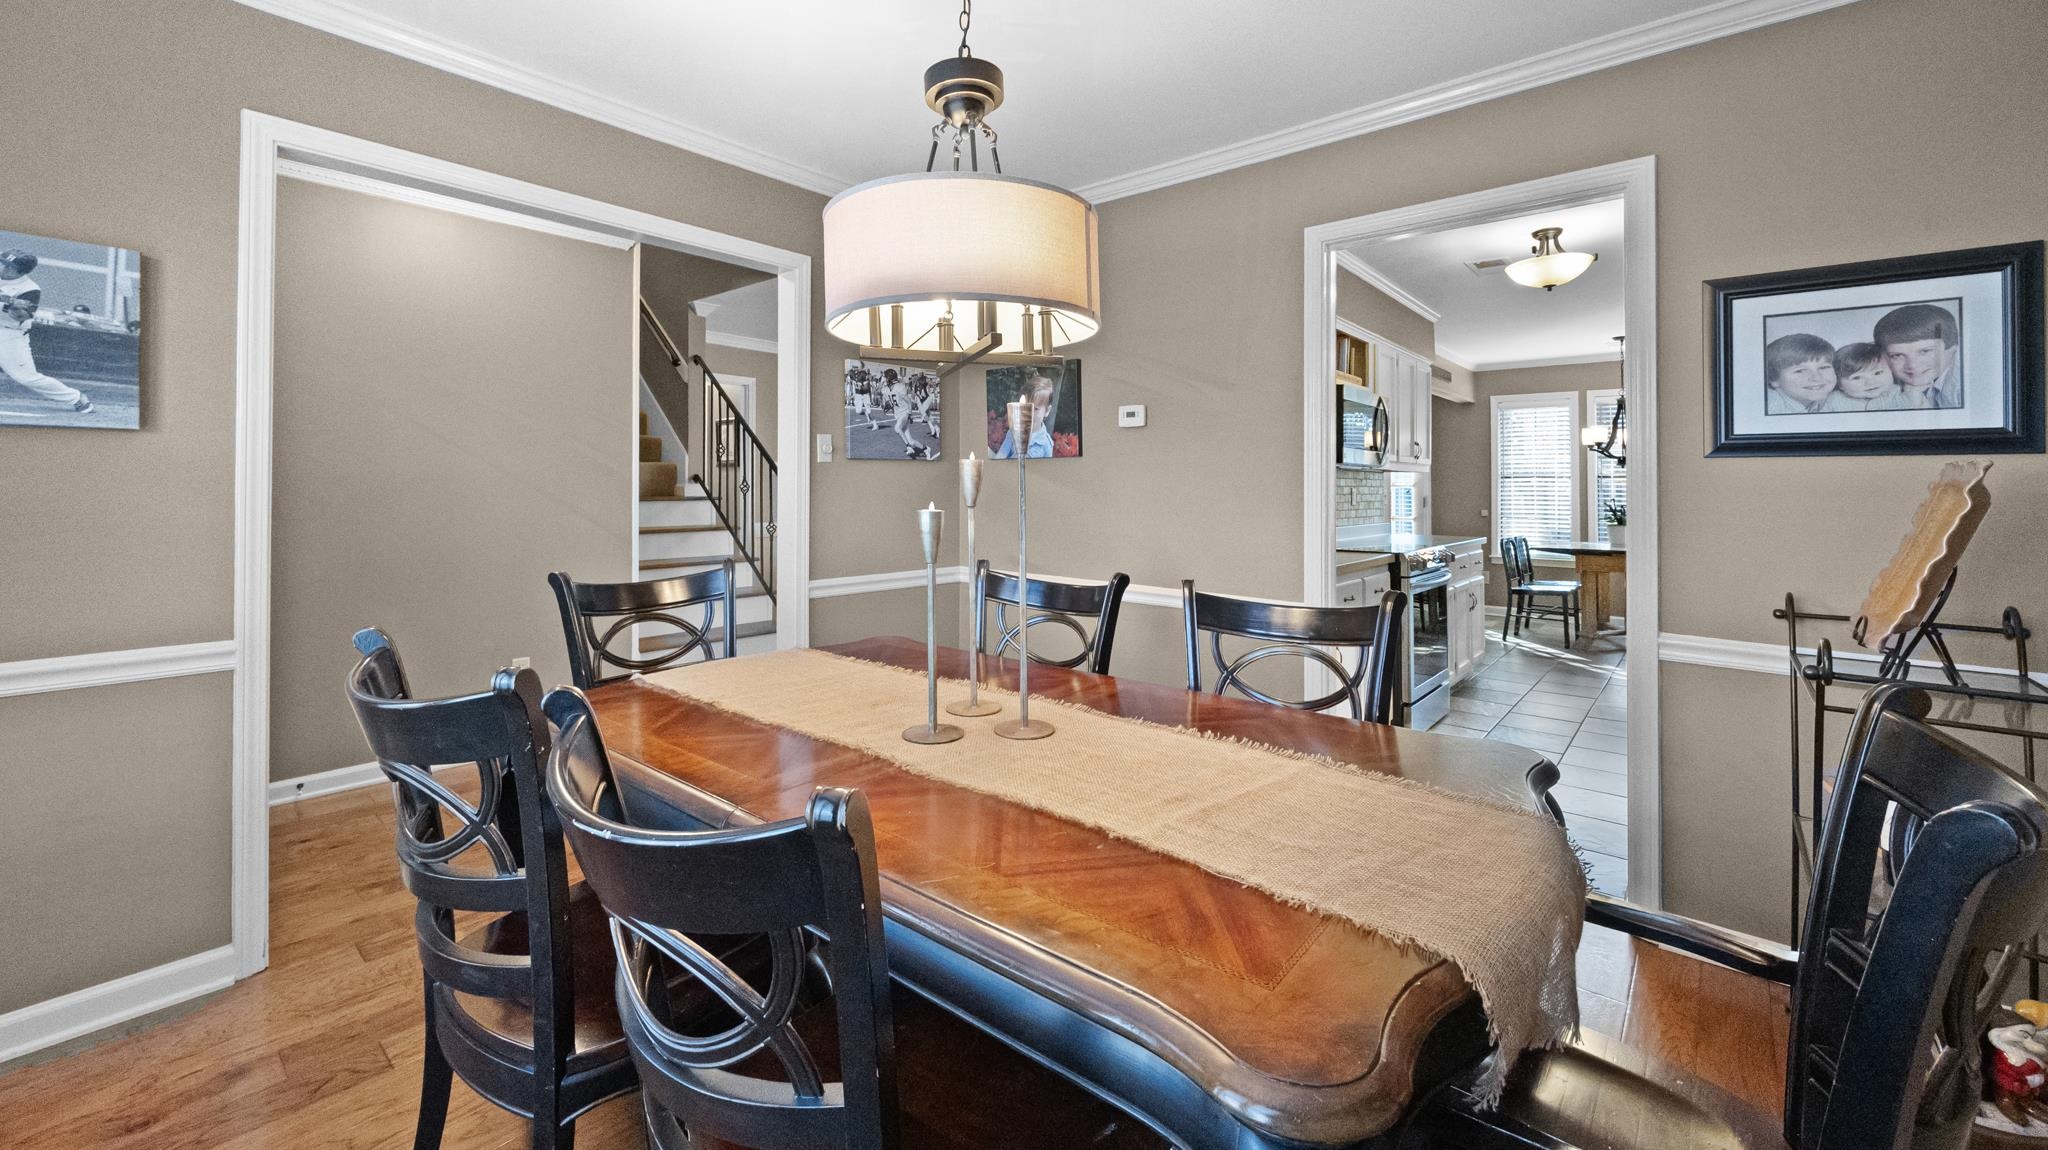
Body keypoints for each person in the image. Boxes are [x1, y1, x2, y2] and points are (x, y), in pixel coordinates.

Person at [0, 249, 93, 414]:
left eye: (10, 267)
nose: (4, 268)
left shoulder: (30, 289)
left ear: (21, 271)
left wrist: (9, 304)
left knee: (26, 377)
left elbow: (20, 316)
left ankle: (76, 398)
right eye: (3, 263)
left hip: (9, 334)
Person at [1874, 302, 1962, 408]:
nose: (1912, 365)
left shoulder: (1961, 388)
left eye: (1924, 351)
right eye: (1897, 355)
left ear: (1952, 349)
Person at [1824, 342, 1917, 410]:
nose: (1870, 382)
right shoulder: (1832, 401)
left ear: (1891, 371)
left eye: (1877, 373)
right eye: (1857, 377)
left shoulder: (1902, 394)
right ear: (1839, 383)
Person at [991, 372, 1059, 457]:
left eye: (1035, 409)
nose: (1029, 413)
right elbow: (1001, 456)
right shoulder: (1014, 432)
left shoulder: (1045, 443)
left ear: (1047, 411)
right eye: (1025, 407)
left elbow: (1047, 465)